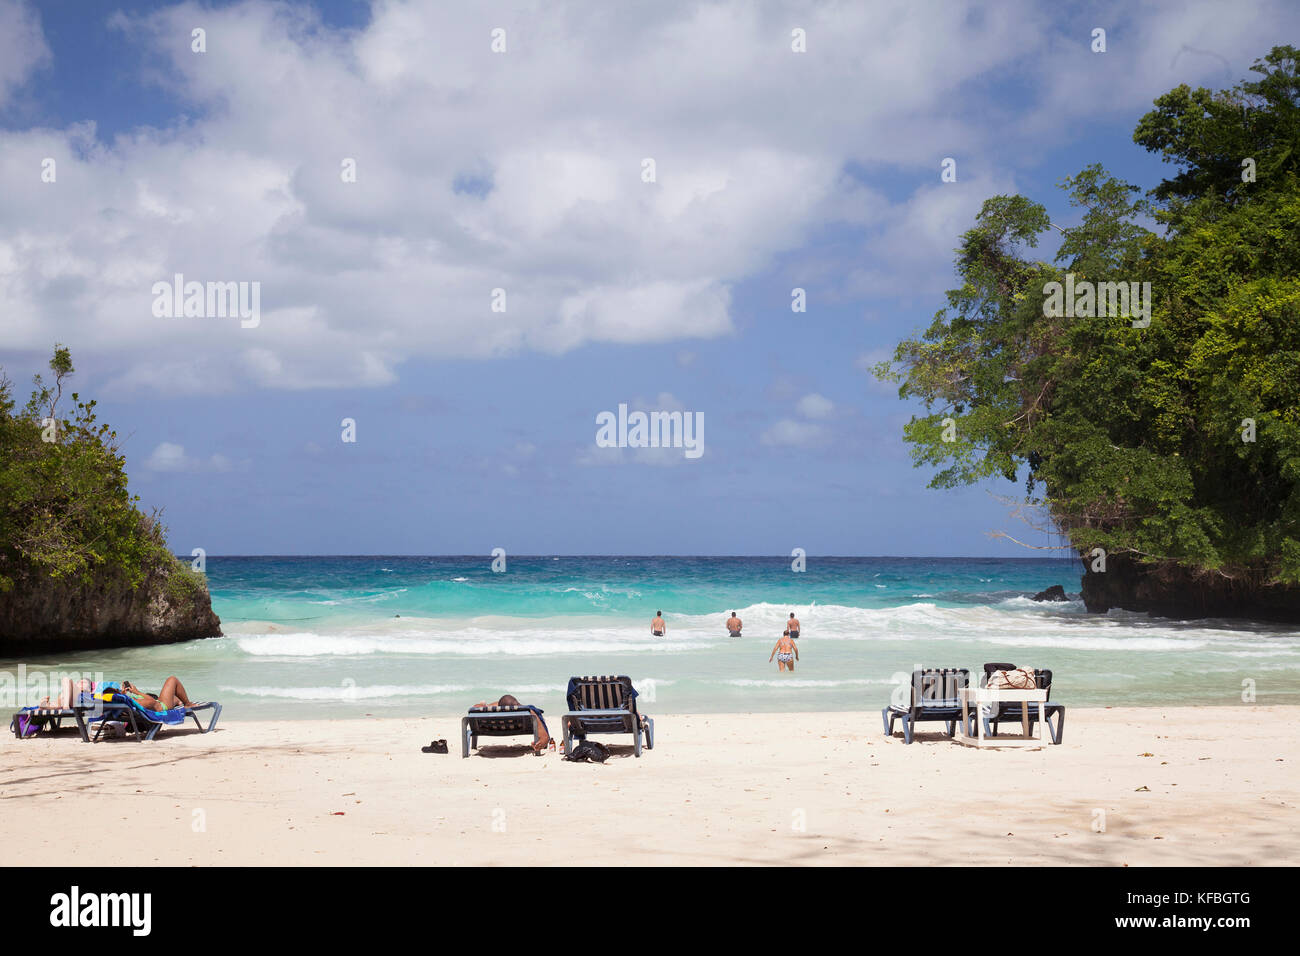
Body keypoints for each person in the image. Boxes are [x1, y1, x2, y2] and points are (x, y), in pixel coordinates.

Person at [473, 693, 551, 753]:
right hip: (520, 727)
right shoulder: (529, 711)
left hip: (492, 728)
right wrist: (545, 737)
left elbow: (475, 707)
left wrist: (486, 705)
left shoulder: (496, 716)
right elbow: (541, 730)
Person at [120, 677, 194, 712]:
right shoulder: (134, 702)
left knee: (171, 697)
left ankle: (178, 701)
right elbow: (152, 702)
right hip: (161, 706)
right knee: (172, 679)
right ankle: (187, 704)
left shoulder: (123, 702)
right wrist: (136, 692)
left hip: (158, 703)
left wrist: (123, 694)